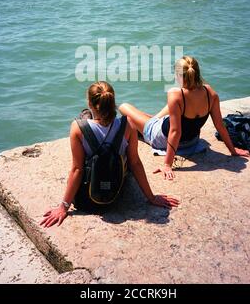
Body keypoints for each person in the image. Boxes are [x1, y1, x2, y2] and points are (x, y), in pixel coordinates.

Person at [40, 81, 179, 228]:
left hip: (86, 199)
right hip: (116, 195)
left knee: (84, 117)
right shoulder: (128, 125)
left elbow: (77, 170)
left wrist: (63, 207)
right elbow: (135, 163)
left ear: (90, 103)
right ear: (112, 102)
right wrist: (151, 197)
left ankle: (87, 116)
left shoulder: (77, 128)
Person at [119, 56, 250, 181]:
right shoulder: (211, 93)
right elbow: (220, 125)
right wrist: (233, 151)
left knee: (124, 107)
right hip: (192, 142)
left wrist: (167, 164)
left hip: (161, 137)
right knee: (166, 109)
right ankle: (153, 120)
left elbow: (175, 132)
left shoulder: (175, 94)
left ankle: (151, 122)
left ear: (179, 76)